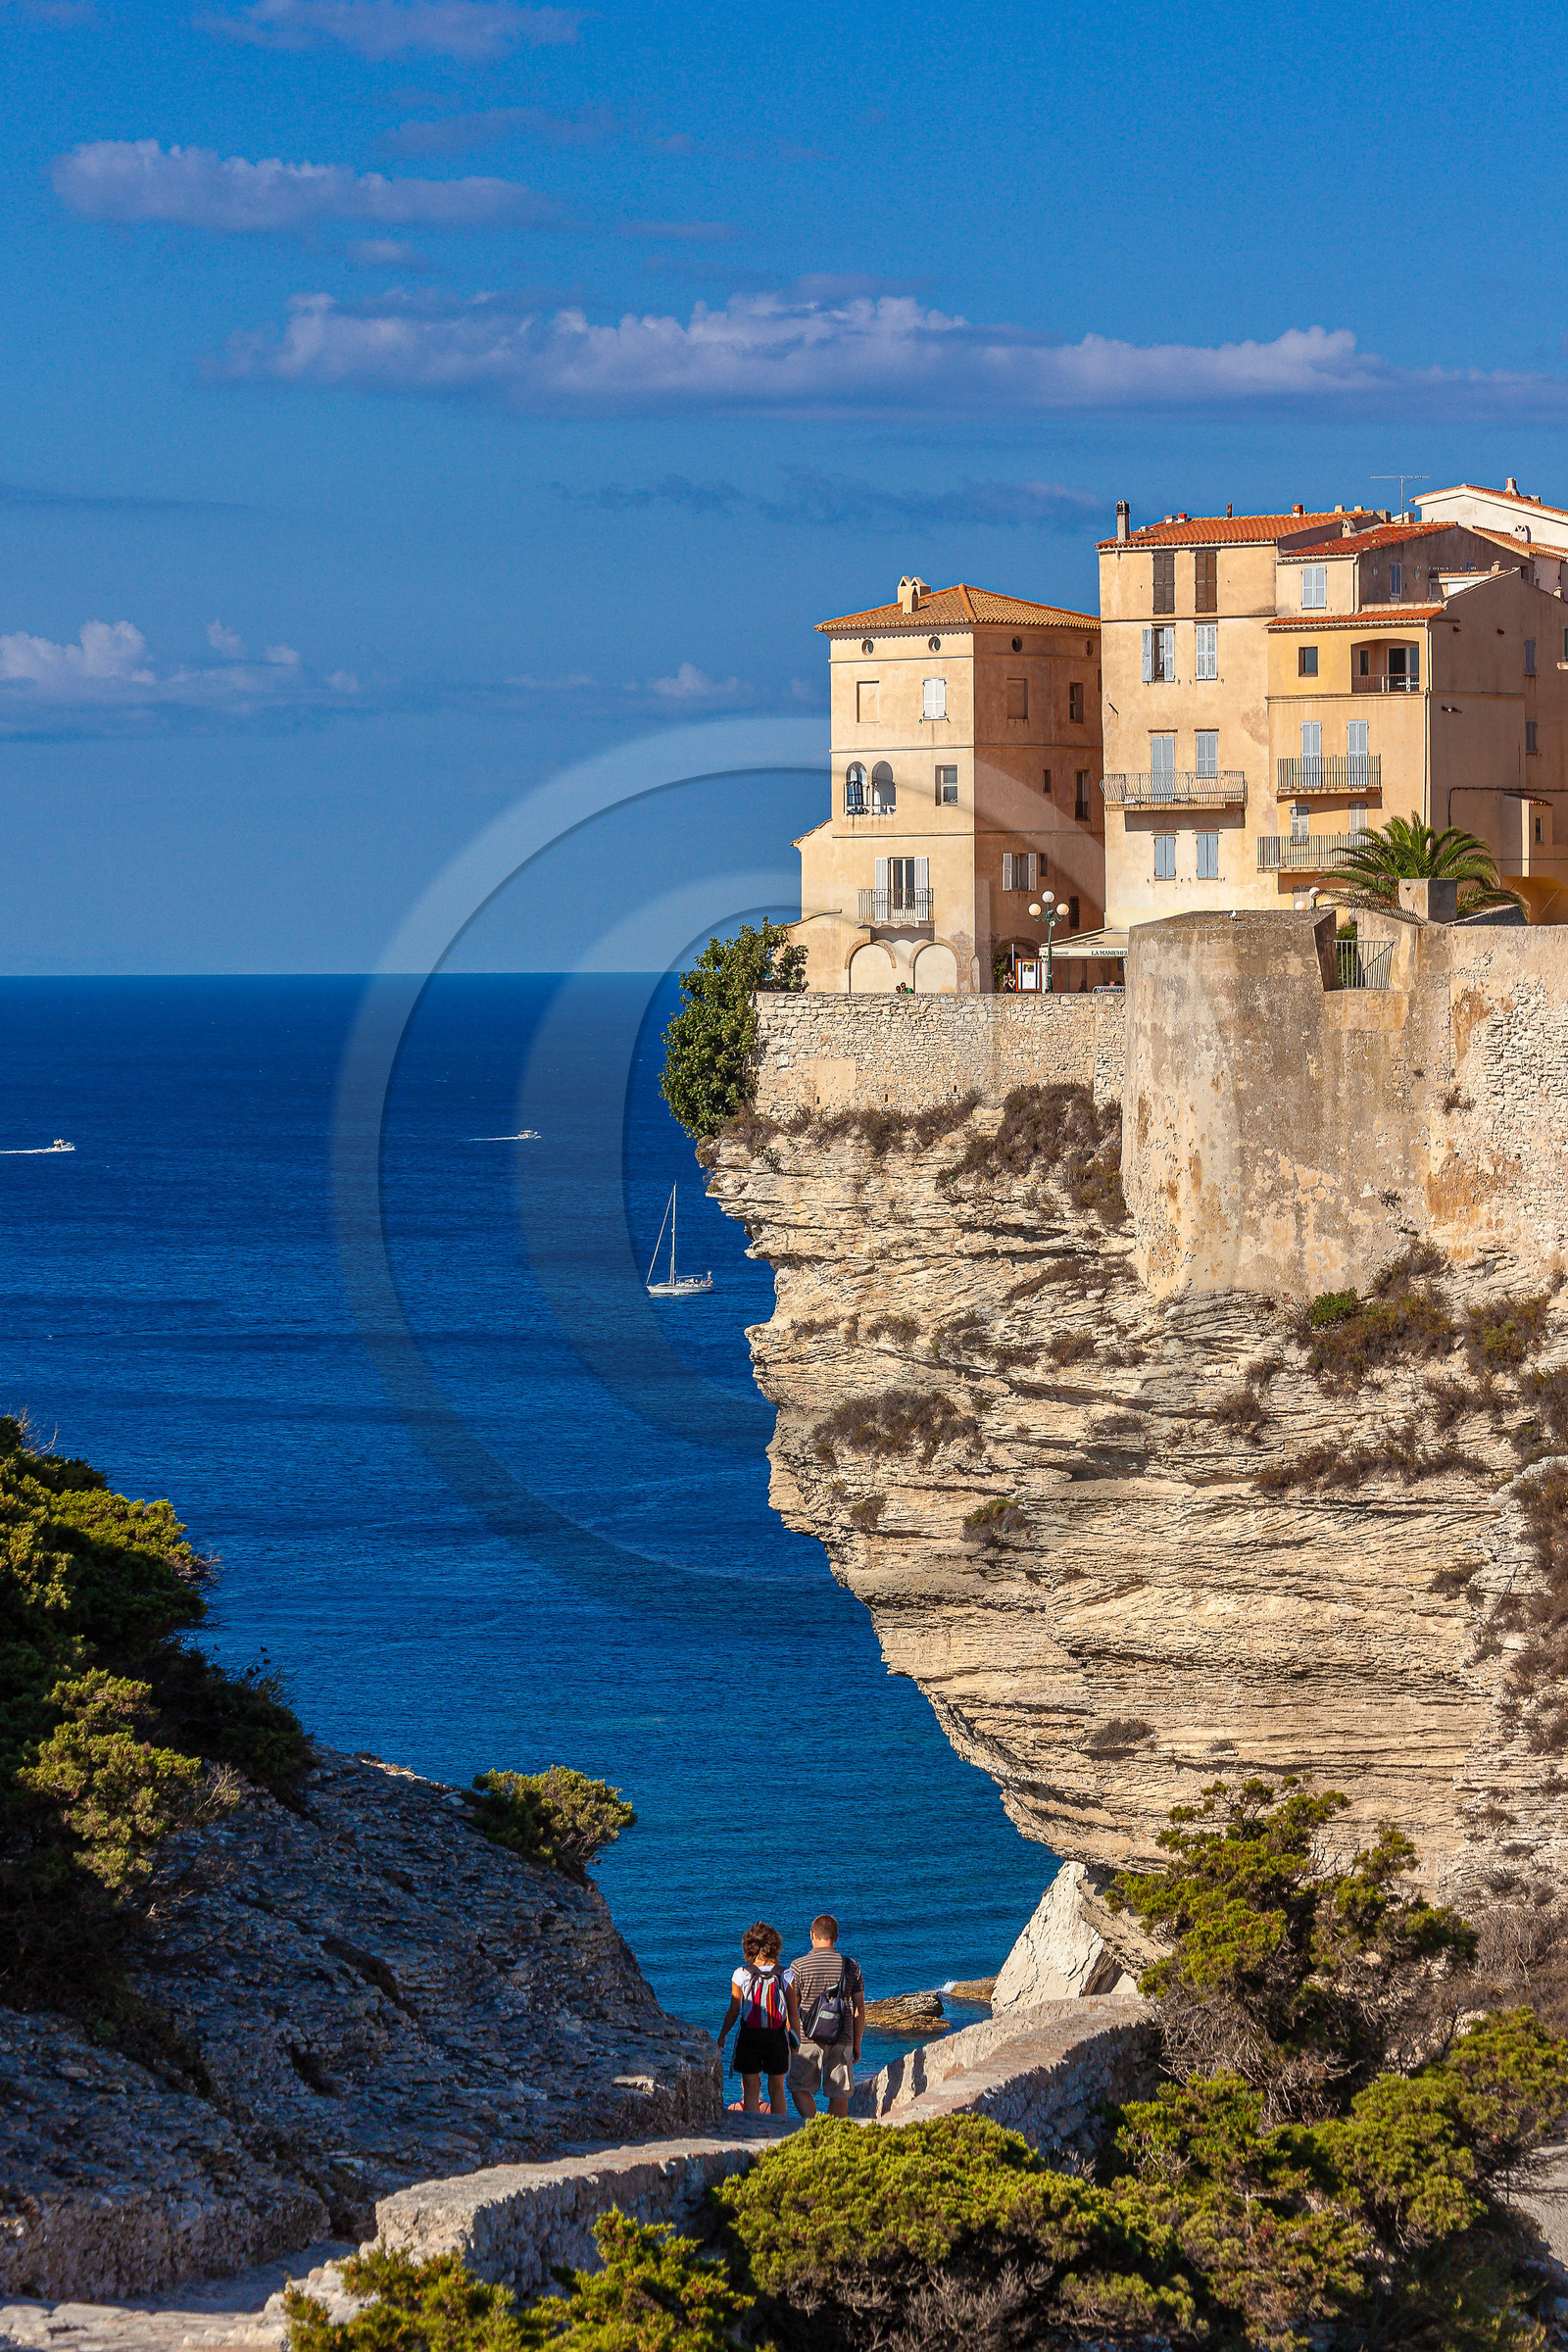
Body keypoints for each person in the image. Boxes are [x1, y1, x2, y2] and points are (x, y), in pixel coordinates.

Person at [716, 1921, 801, 2116]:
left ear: (749, 1947)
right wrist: (796, 2043)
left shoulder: (741, 1974)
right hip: (777, 2037)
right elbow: (793, 2012)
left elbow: (734, 2010)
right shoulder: (785, 1975)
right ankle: (781, 2132)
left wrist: (722, 2035)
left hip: (750, 2036)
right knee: (777, 2089)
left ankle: (753, 2132)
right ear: (775, 1946)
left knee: (751, 2090)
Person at [787, 1912, 865, 2119]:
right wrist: (856, 2042)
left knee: (797, 2084)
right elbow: (859, 2009)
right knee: (839, 2092)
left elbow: (791, 2009)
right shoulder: (852, 1966)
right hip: (842, 2037)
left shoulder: (798, 1966)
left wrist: (791, 2042)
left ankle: (813, 2125)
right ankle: (832, 2136)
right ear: (836, 1937)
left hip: (807, 2038)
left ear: (812, 1935)